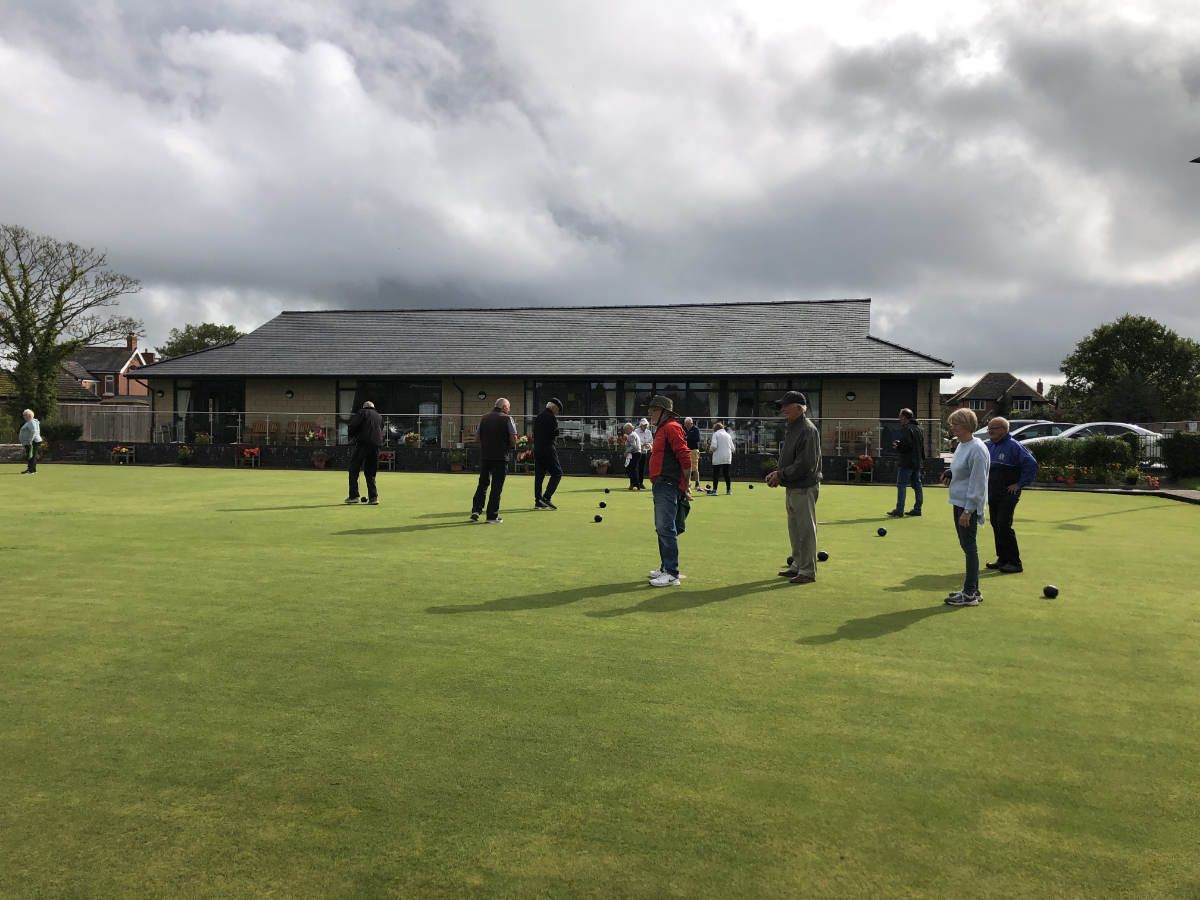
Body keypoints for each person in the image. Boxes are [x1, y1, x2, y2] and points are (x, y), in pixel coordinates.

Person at [765, 392, 822, 584]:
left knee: (805, 530)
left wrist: (781, 475)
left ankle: (807, 571)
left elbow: (805, 464)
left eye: (786, 406)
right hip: (794, 486)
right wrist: (779, 474)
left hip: (804, 487)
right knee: (795, 529)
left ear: (799, 407)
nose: (783, 409)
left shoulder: (807, 429)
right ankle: (798, 565)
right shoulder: (794, 427)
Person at [941, 408, 990, 606]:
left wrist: (969, 510)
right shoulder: (961, 445)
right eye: (952, 423)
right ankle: (973, 590)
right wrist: (950, 473)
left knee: (970, 547)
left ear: (968, 426)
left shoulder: (977, 448)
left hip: (967, 506)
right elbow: (962, 469)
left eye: (957, 423)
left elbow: (979, 482)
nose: (952, 426)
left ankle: (970, 594)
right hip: (958, 501)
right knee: (966, 546)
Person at [646, 395, 694, 587]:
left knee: (665, 527)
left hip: (667, 484)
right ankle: (666, 568)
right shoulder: (662, 429)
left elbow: (685, 457)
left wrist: (687, 484)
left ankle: (672, 574)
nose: (650, 413)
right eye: (650, 409)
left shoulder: (671, 428)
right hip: (661, 483)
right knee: (663, 527)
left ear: (665, 413)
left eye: (655, 409)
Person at [984, 417, 1039, 574]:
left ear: (1003, 429)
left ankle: (1015, 563)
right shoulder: (990, 446)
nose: (990, 431)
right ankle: (1002, 559)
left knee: (1003, 525)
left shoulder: (1014, 446)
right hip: (994, 492)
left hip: (1008, 494)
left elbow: (1032, 465)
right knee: (996, 524)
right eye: (989, 428)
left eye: (993, 428)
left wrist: (1020, 484)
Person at [472, 397, 517, 523]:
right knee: (496, 487)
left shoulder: (484, 418)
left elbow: (476, 439)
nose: (509, 410)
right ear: (504, 407)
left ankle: (476, 510)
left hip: (485, 456)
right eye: (508, 407)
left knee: (482, 484)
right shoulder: (507, 418)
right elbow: (513, 439)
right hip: (500, 457)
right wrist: (509, 445)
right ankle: (491, 516)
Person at [887, 407, 926, 517]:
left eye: (900, 416)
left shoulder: (906, 428)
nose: (899, 418)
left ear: (904, 417)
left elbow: (907, 445)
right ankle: (917, 509)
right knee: (917, 485)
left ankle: (899, 510)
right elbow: (921, 447)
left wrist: (897, 445)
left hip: (907, 462)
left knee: (901, 485)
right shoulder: (919, 429)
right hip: (917, 462)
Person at [345, 401, 384, 504]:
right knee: (371, 472)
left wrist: (352, 437)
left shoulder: (362, 412)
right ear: (373, 407)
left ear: (364, 407)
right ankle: (373, 498)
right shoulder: (379, 416)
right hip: (376, 444)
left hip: (363, 443)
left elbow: (353, 426)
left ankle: (353, 496)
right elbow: (381, 428)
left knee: (354, 468)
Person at [533, 397, 564, 510]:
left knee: (539, 476)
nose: (558, 412)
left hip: (537, 449)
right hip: (548, 448)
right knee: (557, 473)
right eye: (558, 409)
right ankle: (546, 498)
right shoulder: (551, 417)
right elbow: (553, 434)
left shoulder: (539, 416)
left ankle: (538, 501)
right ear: (553, 407)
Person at [708, 422, 734, 494]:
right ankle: (729, 490)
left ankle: (714, 491)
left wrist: (710, 450)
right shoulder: (728, 435)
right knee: (727, 474)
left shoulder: (715, 434)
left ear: (715, 429)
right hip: (727, 457)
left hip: (718, 457)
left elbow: (713, 446)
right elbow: (733, 448)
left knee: (716, 474)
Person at [18, 408, 41, 474]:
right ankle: (33, 469)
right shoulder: (30, 422)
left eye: (25, 415)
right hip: (31, 441)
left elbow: (33, 431)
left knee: (31, 455)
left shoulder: (31, 422)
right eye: (24, 415)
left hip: (32, 441)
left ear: (29, 415)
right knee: (31, 455)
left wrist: (30, 440)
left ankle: (30, 470)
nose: (24, 416)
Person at [683, 416, 702, 491]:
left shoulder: (695, 429)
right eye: (685, 424)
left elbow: (697, 439)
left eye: (688, 424)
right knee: (687, 468)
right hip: (686, 450)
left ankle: (697, 483)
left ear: (691, 423)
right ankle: (688, 484)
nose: (686, 426)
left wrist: (688, 438)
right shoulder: (684, 429)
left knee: (695, 468)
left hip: (694, 450)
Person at [621, 422, 641, 490]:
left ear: (630, 429)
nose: (625, 431)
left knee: (631, 469)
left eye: (626, 429)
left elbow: (633, 446)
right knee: (632, 469)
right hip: (636, 453)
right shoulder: (633, 434)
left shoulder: (631, 435)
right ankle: (634, 484)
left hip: (634, 454)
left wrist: (627, 451)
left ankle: (635, 484)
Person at [635, 418, 653, 488]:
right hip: (637, 451)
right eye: (644, 425)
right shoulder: (636, 431)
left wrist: (648, 445)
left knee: (642, 468)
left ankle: (641, 482)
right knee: (636, 467)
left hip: (645, 452)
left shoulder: (649, 432)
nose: (645, 426)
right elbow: (636, 441)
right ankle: (635, 482)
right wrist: (642, 444)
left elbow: (651, 442)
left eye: (646, 425)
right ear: (640, 425)